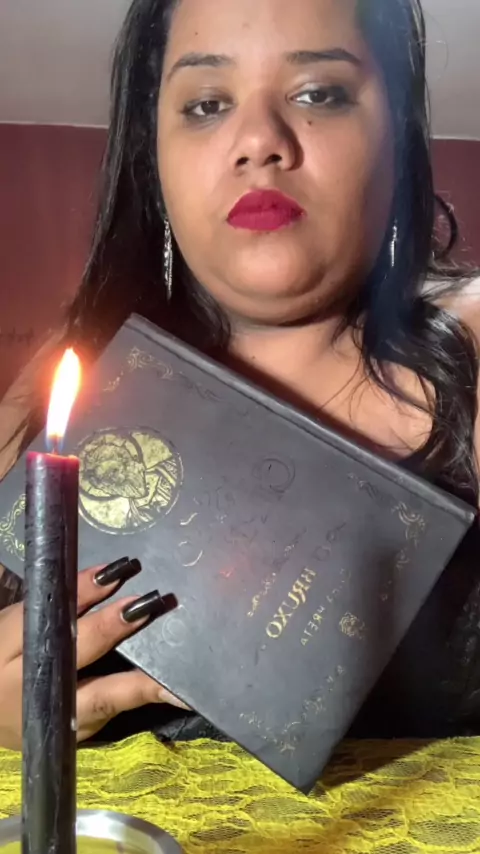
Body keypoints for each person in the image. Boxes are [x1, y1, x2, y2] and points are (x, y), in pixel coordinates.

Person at [0, 0, 479, 751]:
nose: (259, 141)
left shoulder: (471, 360)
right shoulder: (65, 387)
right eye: (207, 104)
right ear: (153, 156)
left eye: (319, 93)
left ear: (398, 139)